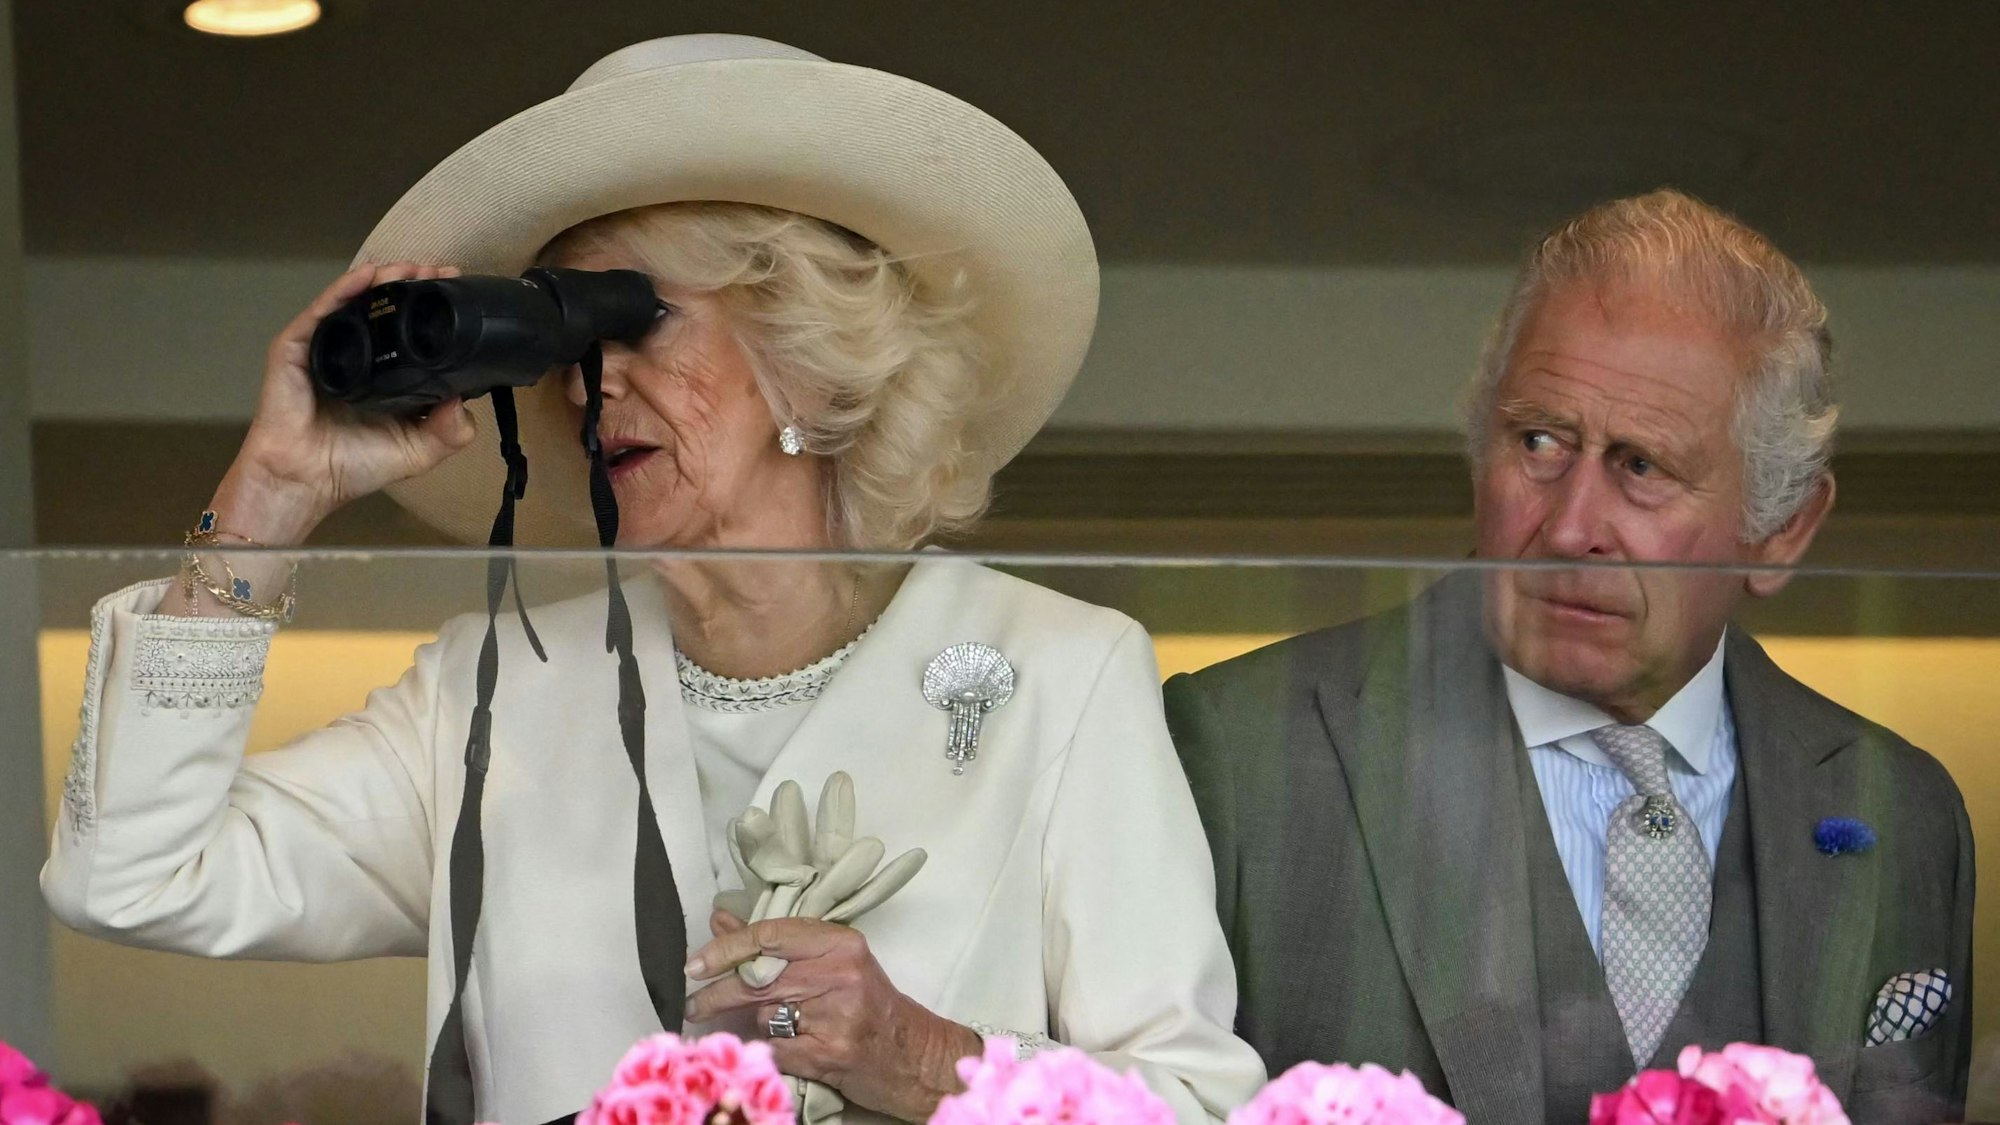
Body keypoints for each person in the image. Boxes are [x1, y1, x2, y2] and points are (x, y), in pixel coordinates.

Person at [41, 35, 1264, 1125]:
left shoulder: (1057, 669)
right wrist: (272, 492)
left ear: (805, 359)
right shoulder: (495, 690)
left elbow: (1203, 1108)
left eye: (636, 323)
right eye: (567, 342)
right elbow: (132, 876)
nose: (586, 385)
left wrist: (919, 1056)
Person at [1165, 190, 1973, 1124]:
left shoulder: (1901, 809)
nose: (1569, 525)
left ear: (1783, 531)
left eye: (1642, 465)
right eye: (1539, 441)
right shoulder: (1237, 750)